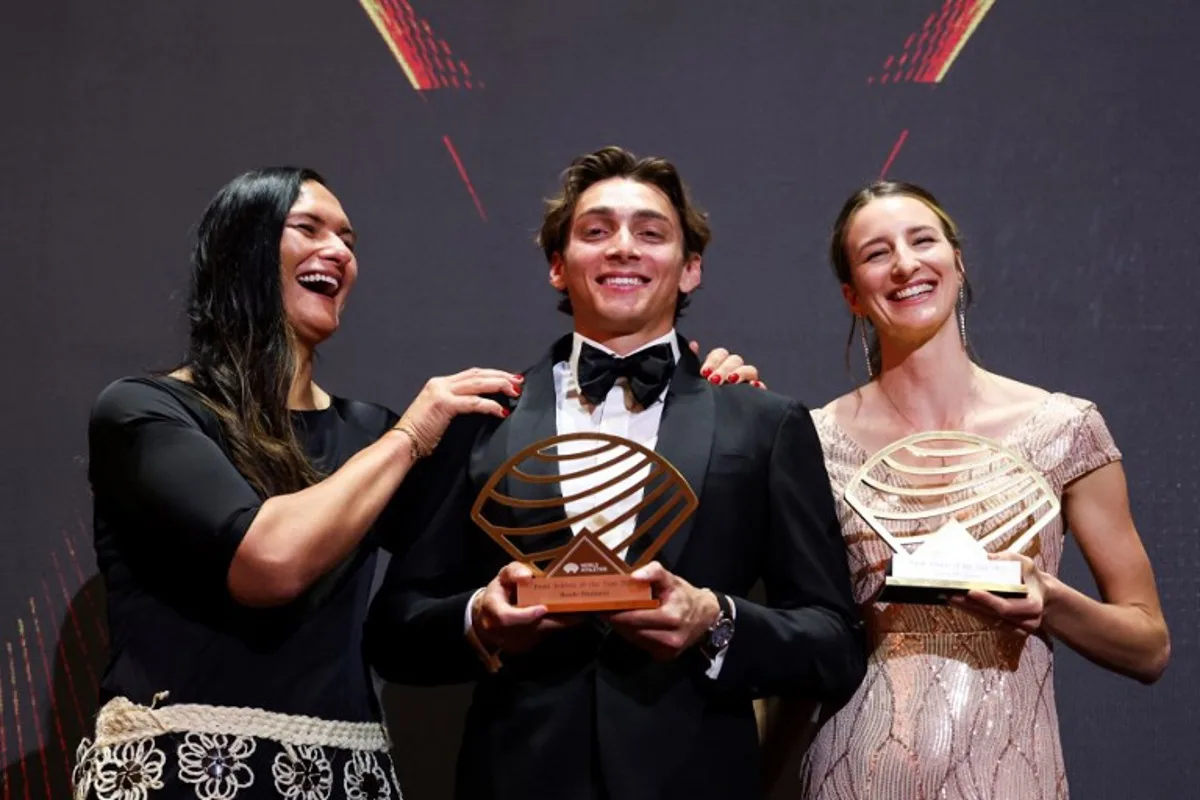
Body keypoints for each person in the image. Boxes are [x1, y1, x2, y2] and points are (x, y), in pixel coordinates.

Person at [73, 166, 762, 800]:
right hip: (181, 771)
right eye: (308, 229)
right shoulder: (146, 409)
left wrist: (694, 404)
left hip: (345, 774)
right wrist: (414, 433)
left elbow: (448, 582)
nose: (339, 251)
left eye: (347, 237)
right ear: (240, 250)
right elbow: (268, 562)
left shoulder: (371, 434)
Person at [364, 146, 868, 800]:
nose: (623, 247)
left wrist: (713, 617)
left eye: (651, 233)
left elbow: (833, 643)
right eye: (596, 231)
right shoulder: (482, 419)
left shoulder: (763, 425)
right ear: (556, 266)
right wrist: (479, 619)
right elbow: (395, 631)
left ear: (690, 270)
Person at [763, 180, 1170, 799]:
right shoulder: (809, 444)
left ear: (958, 261)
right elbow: (797, 656)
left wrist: (1052, 602)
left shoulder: (1064, 429)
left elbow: (1148, 646)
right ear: (852, 295)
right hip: (854, 775)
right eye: (876, 253)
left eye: (922, 240)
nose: (904, 263)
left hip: (1013, 778)